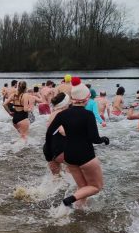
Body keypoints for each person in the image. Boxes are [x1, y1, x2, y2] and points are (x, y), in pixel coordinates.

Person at [45, 78, 109, 209]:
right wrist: (104, 139)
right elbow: (94, 139)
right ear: (86, 99)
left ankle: (77, 210)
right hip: (86, 156)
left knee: (82, 187)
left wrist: (49, 154)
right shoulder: (88, 115)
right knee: (96, 187)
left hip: (69, 156)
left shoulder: (62, 114)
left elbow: (49, 134)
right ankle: (69, 200)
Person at [43, 93, 69, 176]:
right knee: (75, 168)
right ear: (65, 104)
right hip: (59, 148)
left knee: (56, 177)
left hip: (48, 148)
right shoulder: (62, 114)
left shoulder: (53, 113)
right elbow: (62, 131)